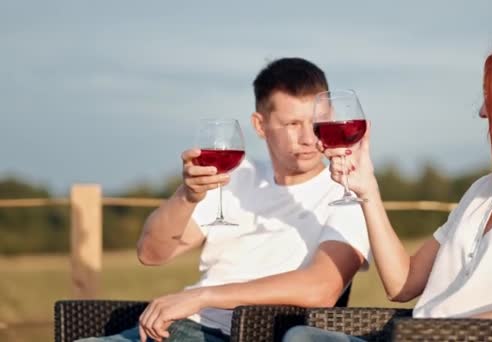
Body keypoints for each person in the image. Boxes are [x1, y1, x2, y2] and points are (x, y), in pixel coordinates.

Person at [284, 33, 492, 341]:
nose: (482, 111)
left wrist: (460, 330)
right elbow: (403, 283)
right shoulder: (483, 191)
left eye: (491, 95)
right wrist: (367, 191)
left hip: (454, 337)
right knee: (301, 336)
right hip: (419, 336)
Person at [78, 57, 370, 342]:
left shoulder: (347, 190)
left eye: (316, 121)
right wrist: (188, 196)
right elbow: (152, 254)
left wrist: (203, 296)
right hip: (176, 329)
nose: (309, 137)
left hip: (243, 332)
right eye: (292, 124)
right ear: (259, 125)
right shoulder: (236, 175)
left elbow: (321, 289)